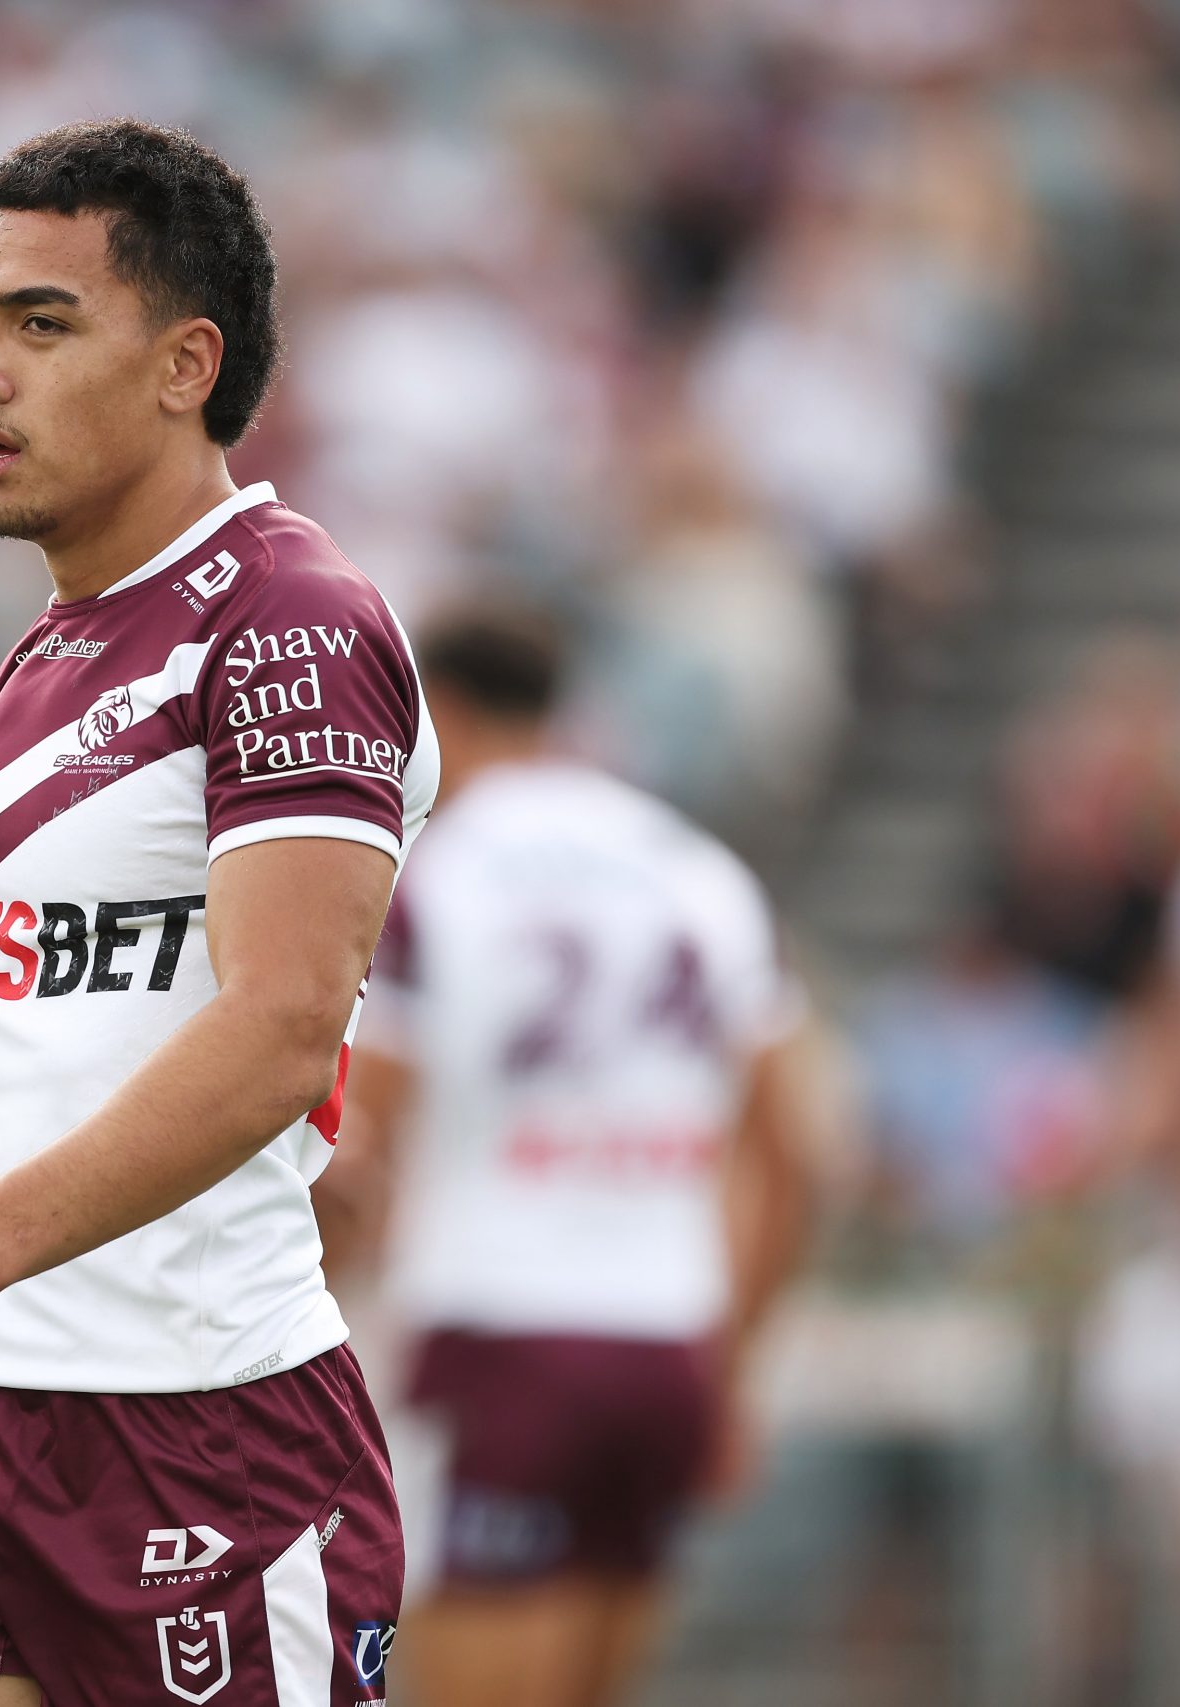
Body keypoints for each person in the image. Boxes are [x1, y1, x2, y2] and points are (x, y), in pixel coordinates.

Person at [0, 119, 439, 1707]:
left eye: (42, 325)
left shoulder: (290, 621)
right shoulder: (52, 646)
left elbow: (274, 1031)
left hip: (204, 1431)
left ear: (189, 363)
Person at [316, 613, 818, 1707]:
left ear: (432, 712)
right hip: (666, 1346)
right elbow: (795, 1152)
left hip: (499, 1338)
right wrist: (731, 1370)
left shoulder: (437, 874)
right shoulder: (700, 873)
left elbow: (361, 1143)